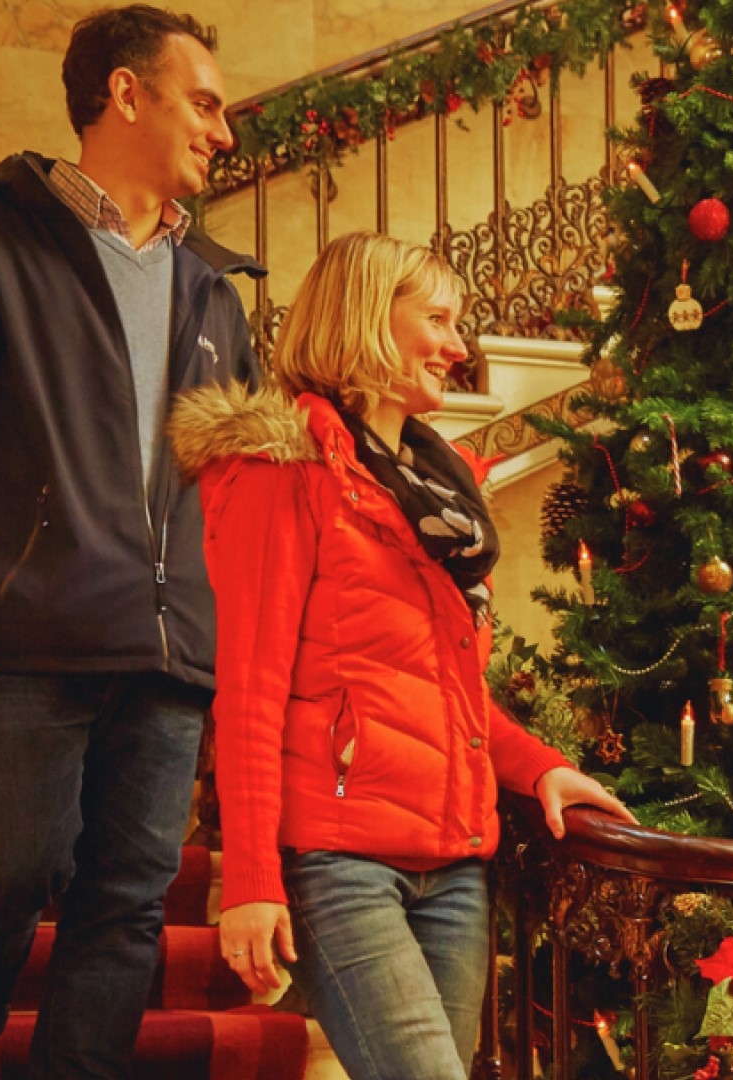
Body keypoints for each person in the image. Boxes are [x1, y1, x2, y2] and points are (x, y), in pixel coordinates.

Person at [167, 231, 633, 1080]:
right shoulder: (284, 468)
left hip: (455, 863)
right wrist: (251, 883)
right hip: (341, 858)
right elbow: (249, 688)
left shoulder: (440, 485)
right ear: (366, 319)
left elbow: (446, 693)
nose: (460, 348)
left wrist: (538, 770)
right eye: (440, 320)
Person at [0, 7, 257, 1076]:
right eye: (205, 102)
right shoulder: (2, 241)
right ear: (125, 94)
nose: (223, 132)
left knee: (127, 913)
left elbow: (228, 492)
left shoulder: (216, 292)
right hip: (32, 632)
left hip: (172, 654)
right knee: (6, 874)